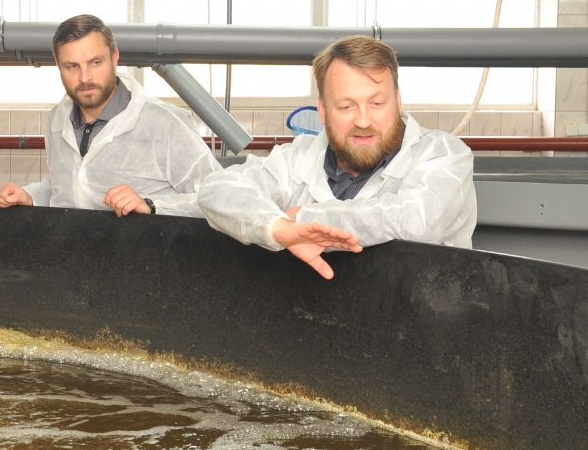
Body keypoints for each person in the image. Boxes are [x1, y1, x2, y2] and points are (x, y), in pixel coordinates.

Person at [198, 34, 476, 280]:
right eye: (346, 106)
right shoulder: (298, 157)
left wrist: (305, 219)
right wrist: (277, 227)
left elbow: (416, 220)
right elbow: (218, 190)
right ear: (322, 109)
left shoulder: (444, 154)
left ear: (398, 100)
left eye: (377, 103)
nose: (364, 120)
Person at [0, 14, 220, 217]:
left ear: (114, 59)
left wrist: (151, 206)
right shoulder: (58, 120)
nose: (85, 78)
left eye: (95, 62)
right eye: (72, 66)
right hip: (80, 255)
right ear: (58, 66)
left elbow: (219, 197)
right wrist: (31, 197)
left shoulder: (162, 123)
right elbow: (71, 187)